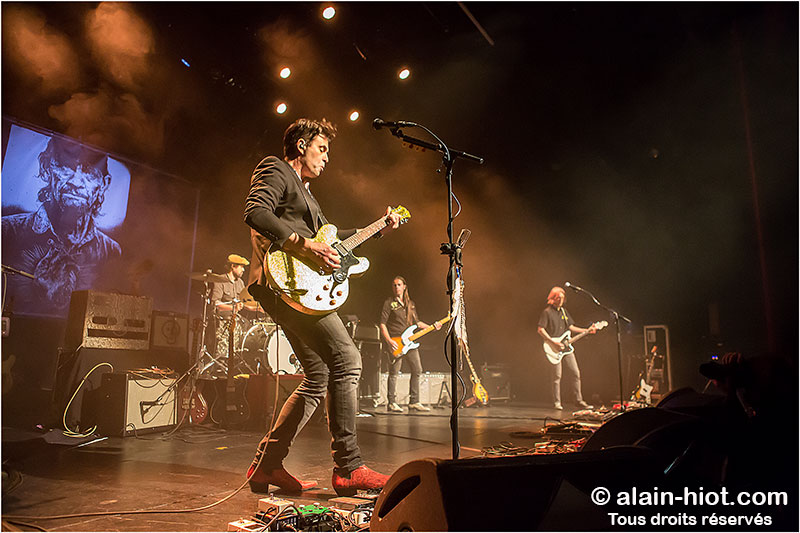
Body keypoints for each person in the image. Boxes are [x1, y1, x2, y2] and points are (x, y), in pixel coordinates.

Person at [243, 118, 402, 497]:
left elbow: (332, 239)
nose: (327, 157)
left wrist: (377, 227)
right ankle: (349, 467)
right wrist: (304, 245)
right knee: (347, 360)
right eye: (322, 148)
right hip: (284, 282)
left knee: (318, 377)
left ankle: (266, 465)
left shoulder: (308, 195)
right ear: (301, 145)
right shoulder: (276, 168)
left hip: (299, 288)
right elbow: (256, 213)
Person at [1, 136, 121, 314]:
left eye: (89, 173)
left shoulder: (111, 251)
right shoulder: (6, 230)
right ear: (46, 168)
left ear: (104, 184)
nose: (76, 182)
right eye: (66, 168)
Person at [379, 276, 442, 412]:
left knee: (417, 370)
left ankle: (414, 401)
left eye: (399, 284)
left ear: (404, 287)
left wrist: (432, 327)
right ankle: (391, 402)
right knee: (394, 372)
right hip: (396, 342)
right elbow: (382, 324)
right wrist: (389, 341)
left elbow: (417, 323)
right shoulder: (389, 303)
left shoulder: (410, 304)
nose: (396, 287)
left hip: (410, 342)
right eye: (394, 285)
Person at [537, 286, 595, 410]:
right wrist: (553, 342)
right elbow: (541, 329)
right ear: (553, 298)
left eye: (562, 298)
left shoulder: (564, 311)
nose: (561, 300)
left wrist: (586, 330)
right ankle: (557, 402)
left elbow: (571, 327)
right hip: (553, 347)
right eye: (558, 298)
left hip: (566, 347)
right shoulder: (547, 312)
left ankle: (578, 400)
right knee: (557, 376)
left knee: (575, 373)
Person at [210, 254, 249, 372]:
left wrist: (257, 308)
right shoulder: (220, 281)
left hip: (236, 320)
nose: (243, 270)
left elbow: (244, 302)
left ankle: (236, 365)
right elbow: (216, 304)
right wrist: (232, 308)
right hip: (223, 321)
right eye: (241, 266)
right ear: (233, 266)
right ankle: (220, 367)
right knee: (223, 351)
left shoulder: (240, 283)